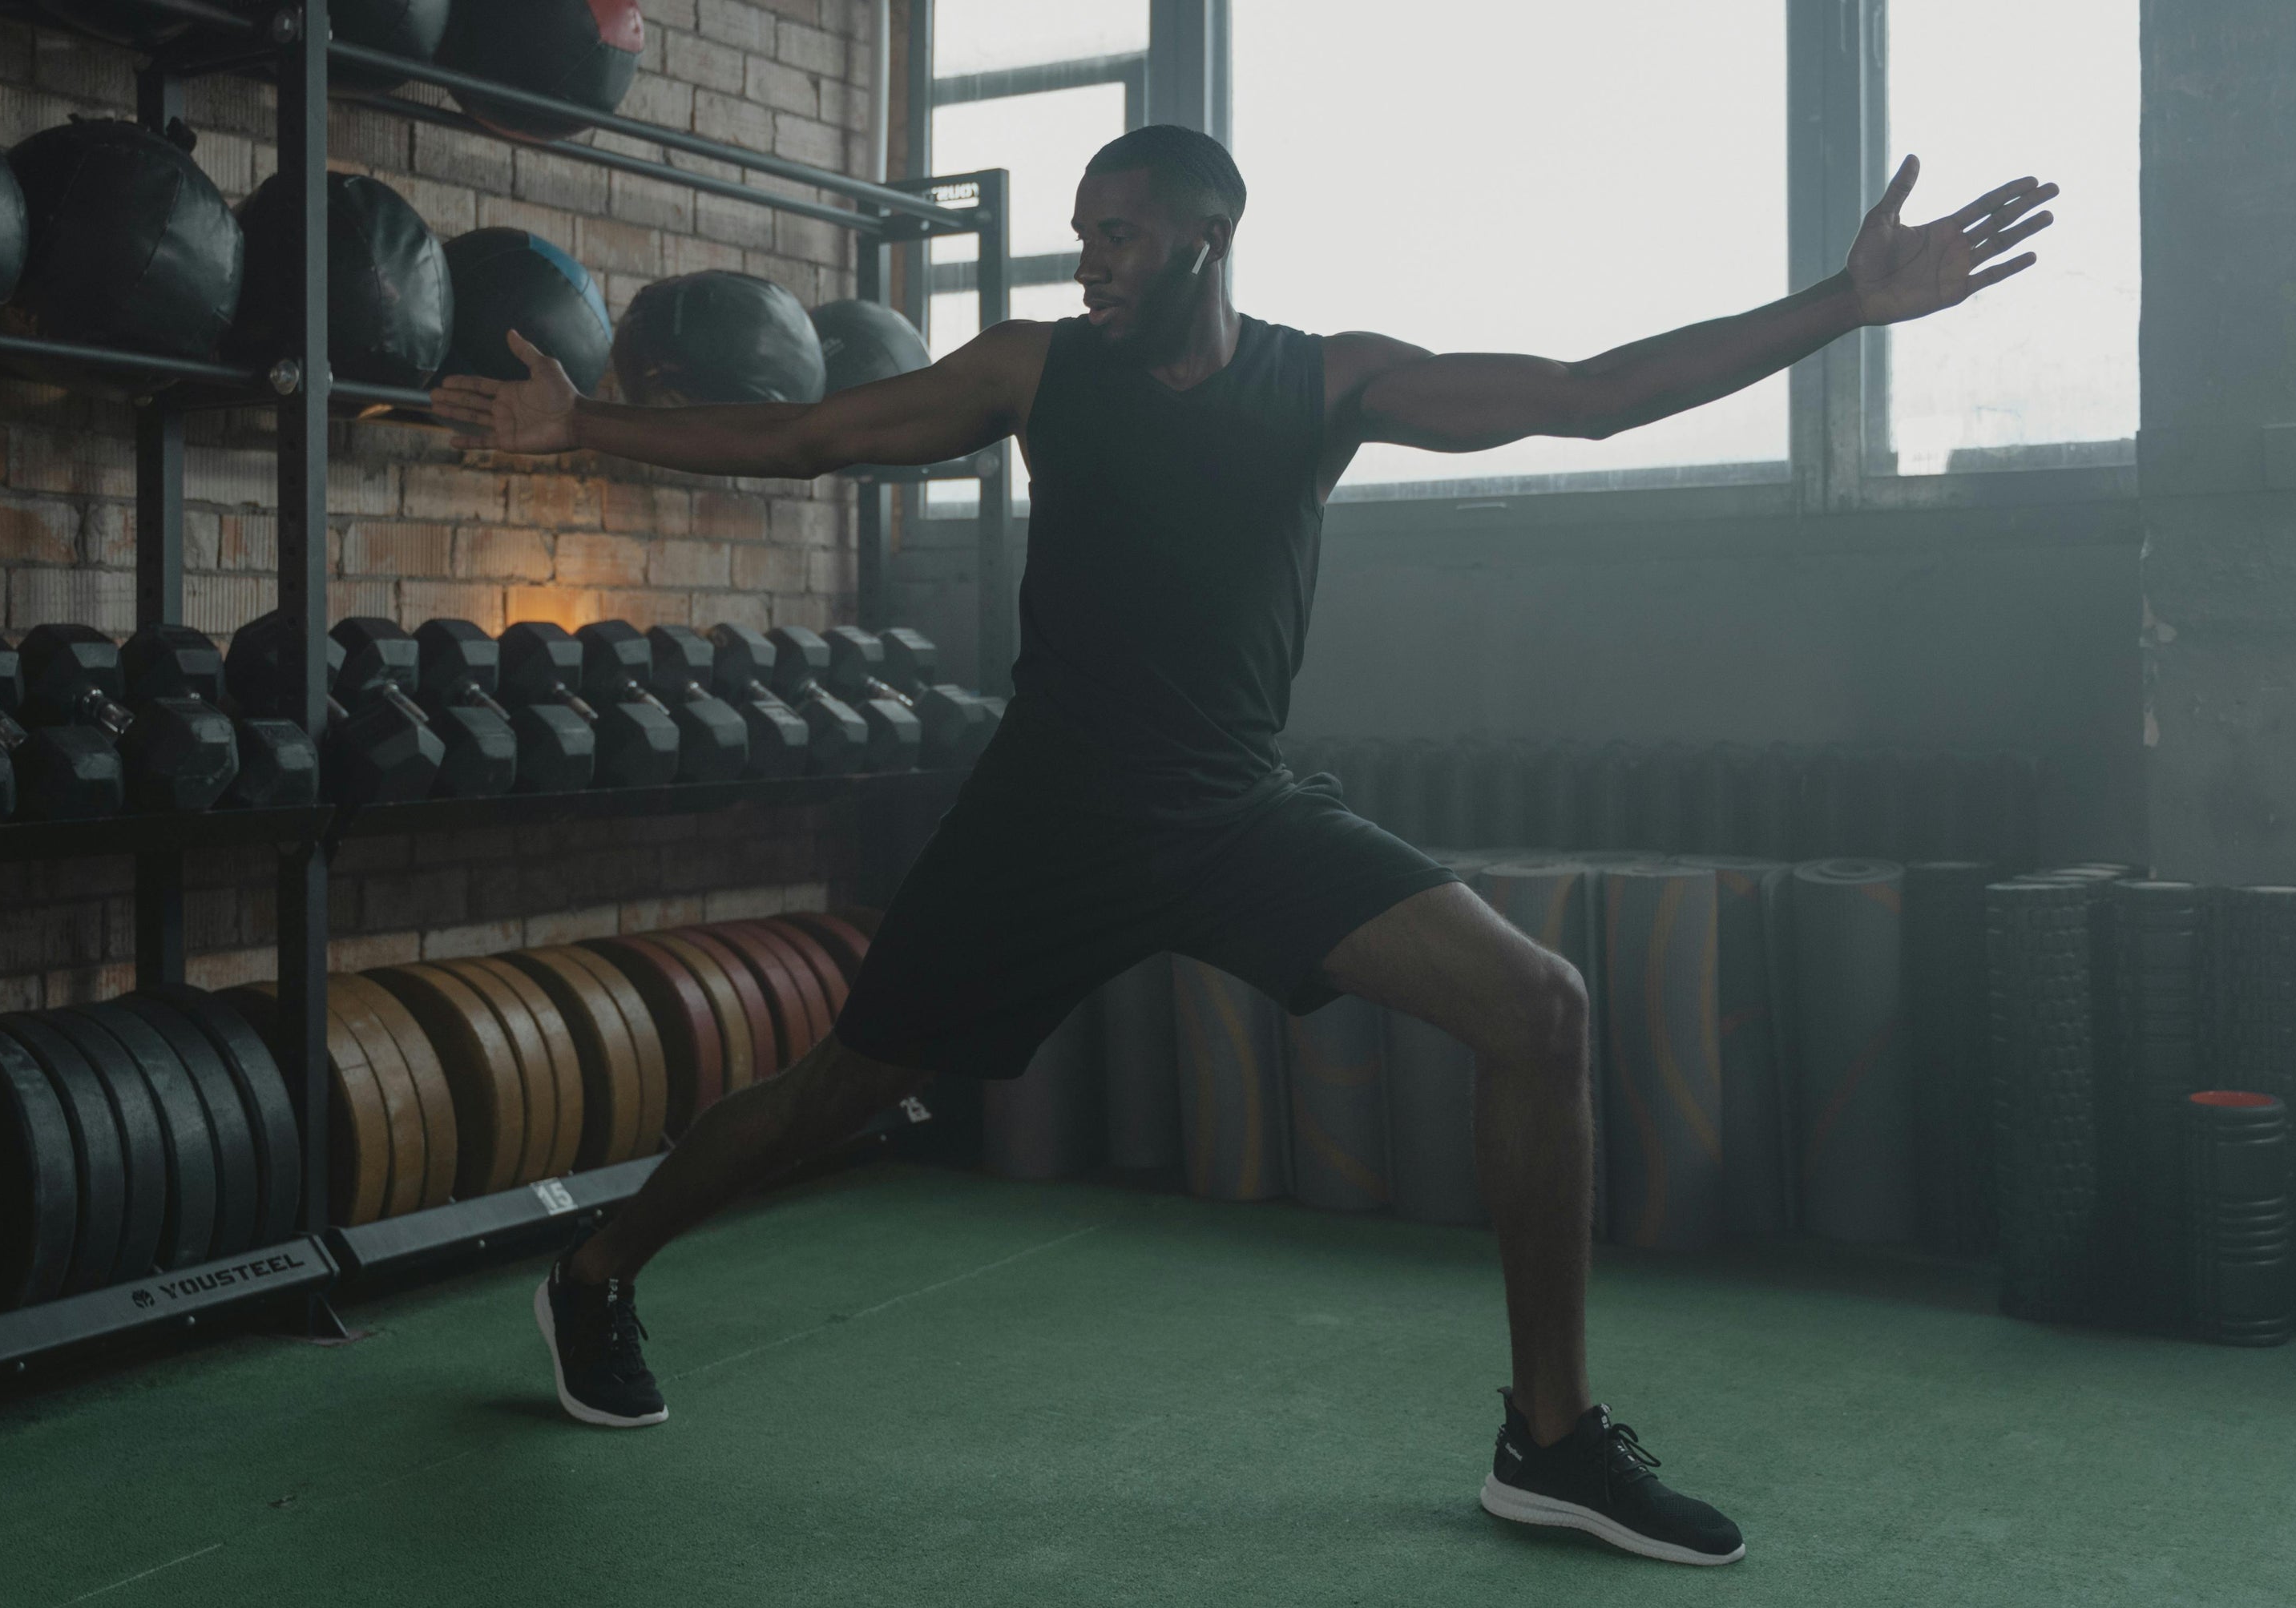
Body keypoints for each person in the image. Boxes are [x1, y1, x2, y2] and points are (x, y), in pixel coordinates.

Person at [430, 124, 2054, 1569]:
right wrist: (585, 434)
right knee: (840, 1086)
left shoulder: (1326, 380)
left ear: (1210, 234)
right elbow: (818, 439)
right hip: (1046, 820)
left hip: (1232, 809)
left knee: (1539, 1004)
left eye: (1115, 234)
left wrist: (1841, 305)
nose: (1089, 264)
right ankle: (601, 1265)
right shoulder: (1034, 369)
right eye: (1081, 236)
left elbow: (1585, 397)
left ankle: (1548, 1439)